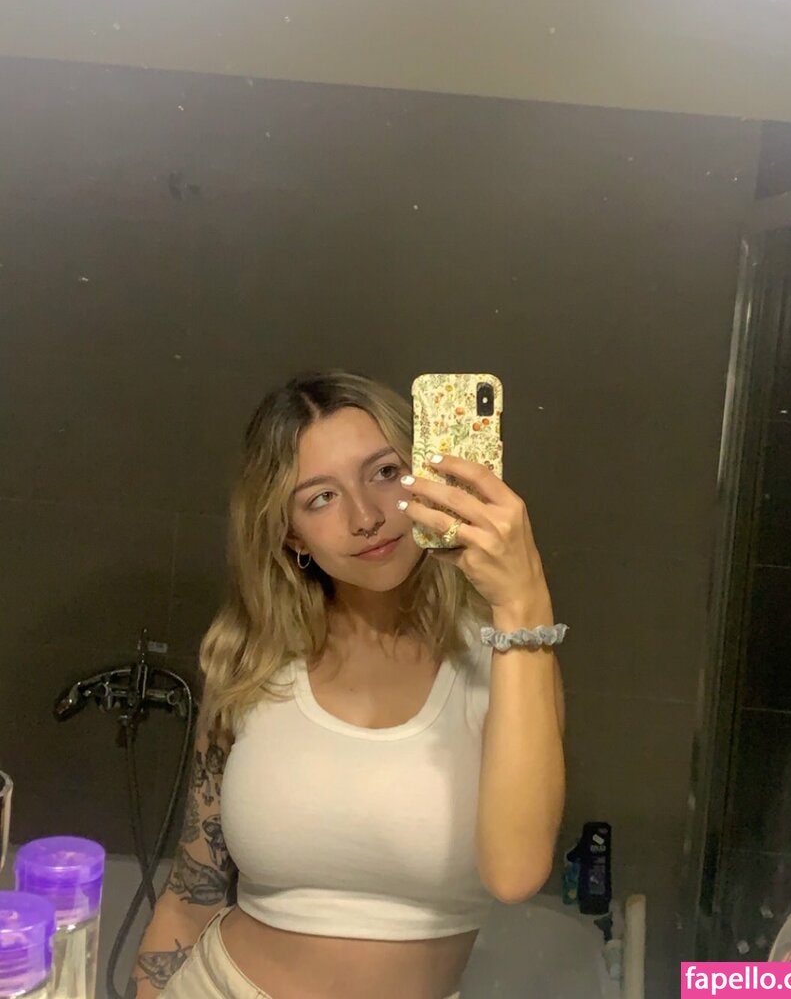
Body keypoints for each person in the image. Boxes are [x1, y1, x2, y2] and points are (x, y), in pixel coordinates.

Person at [131, 369, 566, 999]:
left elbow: (516, 873)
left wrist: (524, 599)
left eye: (385, 472)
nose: (366, 517)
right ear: (291, 534)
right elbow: (190, 895)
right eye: (321, 498)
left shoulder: (510, 656)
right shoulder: (250, 661)